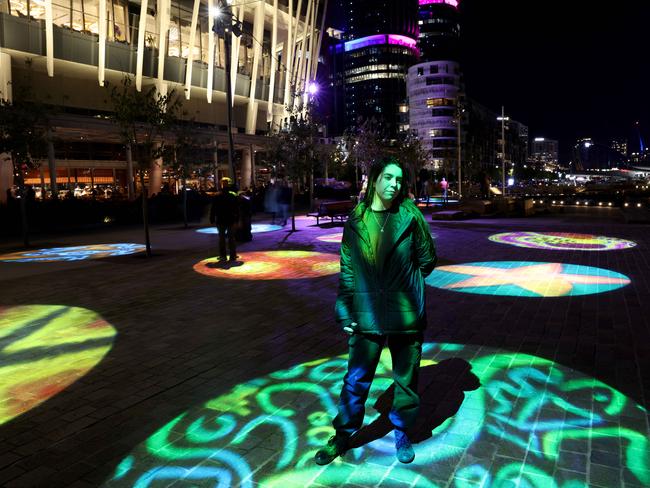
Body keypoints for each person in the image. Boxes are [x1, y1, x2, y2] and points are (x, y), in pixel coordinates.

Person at [314, 156, 437, 466]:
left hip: (404, 312)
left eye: (399, 179)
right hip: (366, 312)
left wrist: (406, 286)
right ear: (375, 179)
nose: (394, 184)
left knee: (406, 379)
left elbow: (427, 260)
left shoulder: (410, 217)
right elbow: (348, 271)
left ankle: (401, 429)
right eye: (388, 178)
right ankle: (343, 435)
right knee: (356, 379)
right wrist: (345, 310)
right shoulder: (357, 221)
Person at [210, 177, 239, 262]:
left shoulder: (217, 197)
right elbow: (236, 208)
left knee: (222, 238)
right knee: (231, 238)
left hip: (221, 219)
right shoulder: (232, 196)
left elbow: (213, 208)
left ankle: (223, 256)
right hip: (230, 219)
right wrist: (237, 219)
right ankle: (232, 255)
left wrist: (212, 218)